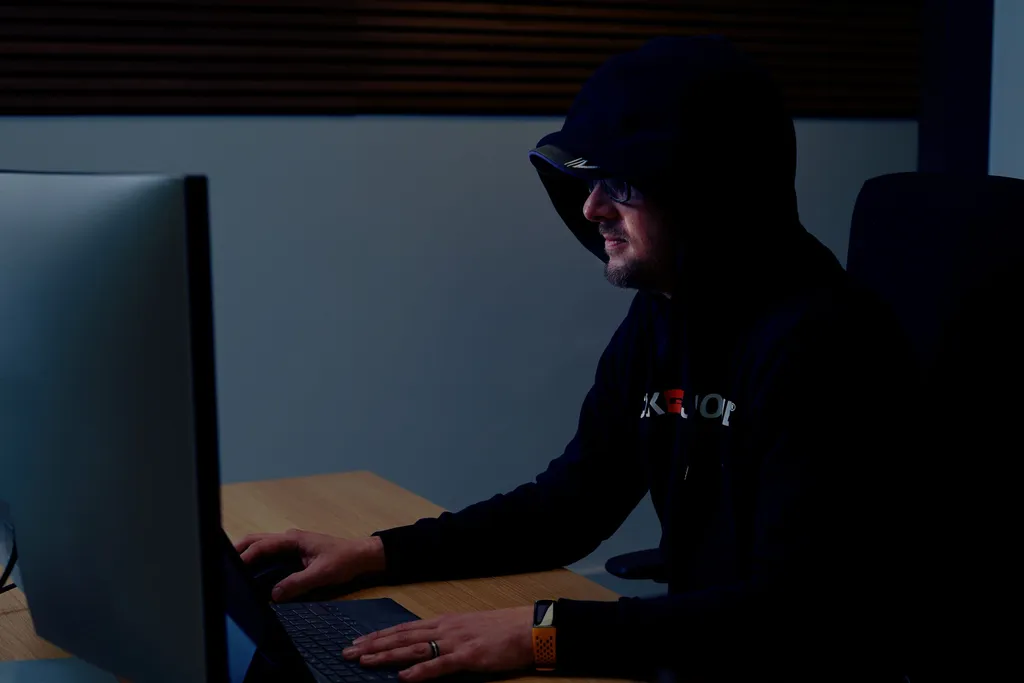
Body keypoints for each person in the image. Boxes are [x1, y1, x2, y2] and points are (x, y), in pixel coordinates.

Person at [236, 36, 917, 682]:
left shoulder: (827, 344)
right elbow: (569, 504)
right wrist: (377, 552)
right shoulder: (668, 309)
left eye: (622, 184)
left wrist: (543, 631)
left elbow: (796, 616)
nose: (591, 208)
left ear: (709, 189)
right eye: (590, 183)